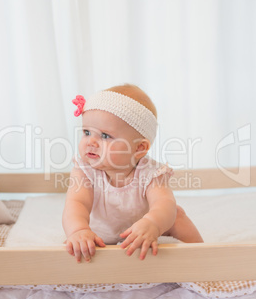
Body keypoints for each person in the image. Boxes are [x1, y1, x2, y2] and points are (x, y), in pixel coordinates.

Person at [62, 84, 203, 263]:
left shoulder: (150, 172)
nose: (91, 142)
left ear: (139, 148)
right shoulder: (85, 169)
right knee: (76, 236)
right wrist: (78, 230)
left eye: (105, 136)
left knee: (175, 215)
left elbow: (163, 203)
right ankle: (82, 238)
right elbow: (77, 203)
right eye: (87, 132)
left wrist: (153, 223)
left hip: (146, 229)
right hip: (99, 234)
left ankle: (200, 255)